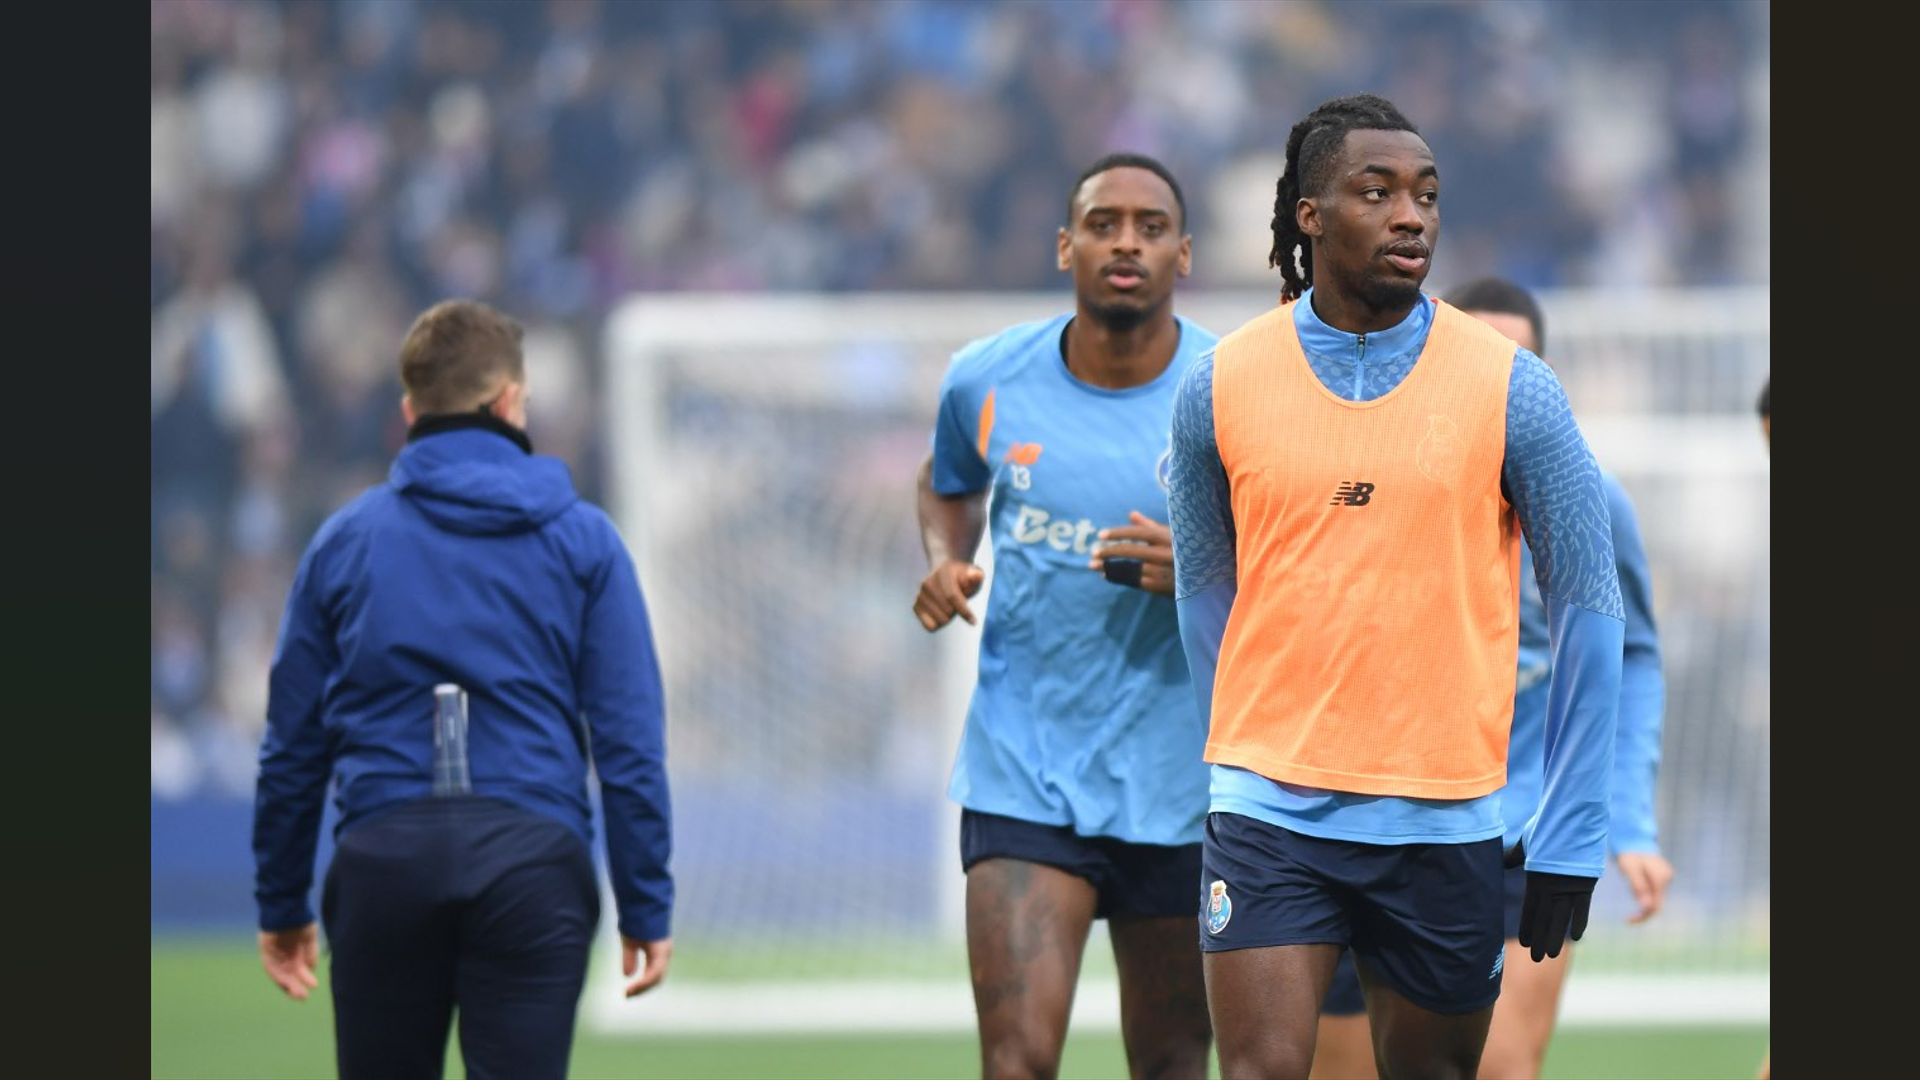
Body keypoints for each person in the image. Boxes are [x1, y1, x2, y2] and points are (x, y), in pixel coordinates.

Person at [1166, 93, 1625, 1079]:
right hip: (1270, 816)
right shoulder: (1219, 383)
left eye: (1426, 195)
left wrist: (1573, 827)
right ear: (1309, 214)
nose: (1411, 215)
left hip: (1445, 821)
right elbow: (1203, 592)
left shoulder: (1515, 387)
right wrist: (1234, 755)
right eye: (1376, 193)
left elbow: (1591, 609)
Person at [252, 299, 674, 1079]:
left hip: (385, 863)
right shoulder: (587, 542)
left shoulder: (343, 543)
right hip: (532, 866)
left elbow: (292, 747)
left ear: (410, 411)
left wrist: (282, 902)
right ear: (510, 402)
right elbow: (629, 743)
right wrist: (644, 901)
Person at [1308, 279, 1672, 1080]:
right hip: (1358, 822)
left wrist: (1630, 822)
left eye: (1519, 366)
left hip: (1516, 828)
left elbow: (1633, 655)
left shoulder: (1592, 499)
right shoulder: (1371, 484)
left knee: (1498, 1066)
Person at [913, 152, 1217, 1079]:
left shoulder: (1232, 390)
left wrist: (1203, 572)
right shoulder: (985, 379)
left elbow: (1300, 554)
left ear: (1183, 254)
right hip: (1025, 771)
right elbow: (945, 481)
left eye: (1150, 228)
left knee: (1170, 1063)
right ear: (1064, 246)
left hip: (1183, 784)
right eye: (1102, 224)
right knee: (1015, 1063)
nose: (1126, 243)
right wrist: (945, 558)